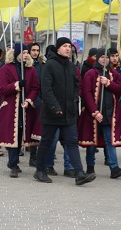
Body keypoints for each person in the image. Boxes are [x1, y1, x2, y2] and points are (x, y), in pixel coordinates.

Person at [34, 37, 96, 186]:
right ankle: (40, 170)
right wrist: (55, 107)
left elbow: (77, 84)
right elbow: (46, 89)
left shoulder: (70, 66)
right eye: (65, 46)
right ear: (58, 49)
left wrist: (75, 98)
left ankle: (79, 173)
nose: (68, 49)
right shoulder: (50, 65)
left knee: (72, 142)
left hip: (68, 113)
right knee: (47, 141)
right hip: (52, 113)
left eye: (70, 46)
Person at [0, 43, 41, 178]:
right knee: (12, 135)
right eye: (23, 52)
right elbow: (2, 89)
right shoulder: (6, 68)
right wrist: (17, 85)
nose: (26, 55)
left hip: (25, 108)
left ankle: (13, 161)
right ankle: (13, 164)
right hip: (10, 108)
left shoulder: (31, 70)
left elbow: (36, 87)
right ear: (17, 54)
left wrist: (29, 100)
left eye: (27, 52)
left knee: (21, 135)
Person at [78, 48, 121, 179]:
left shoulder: (114, 74)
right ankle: (90, 167)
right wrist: (94, 111)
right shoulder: (90, 74)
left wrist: (109, 83)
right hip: (93, 114)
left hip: (109, 114)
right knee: (91, 142)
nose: (104, 60)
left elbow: (120, 89)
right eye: (101, 57)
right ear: (97, 59)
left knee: (109, 141)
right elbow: (86, 93)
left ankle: (114, 167)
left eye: (107, 57)